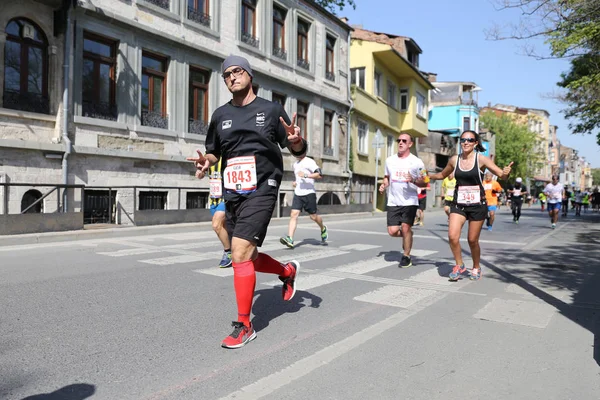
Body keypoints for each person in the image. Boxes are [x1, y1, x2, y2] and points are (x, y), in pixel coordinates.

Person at [187, 55, 307, 349]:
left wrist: (294, 141)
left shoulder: (270, 109)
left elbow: (297, 149)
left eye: (237, 71)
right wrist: (206, 162)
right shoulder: (219, 115)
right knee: (248, 256)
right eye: (226, 74)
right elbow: (214, 152)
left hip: (263, 186)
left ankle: (245, 325)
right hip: (233, 190)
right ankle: (286, 271)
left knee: (239, 252)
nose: (231, 77)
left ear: (249, 75)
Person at [429, 130, 512, 281]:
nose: (466, 142)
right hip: (459, 203)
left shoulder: (481, 159)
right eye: (463, 140)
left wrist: (507, 172)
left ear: (475, 143)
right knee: (452, 236)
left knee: (472, 240)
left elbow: (502, 175)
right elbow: (442, 175)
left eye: (469, 140)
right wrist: (427, 177)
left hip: (477, 205)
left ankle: (476, 266)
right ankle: (460, 265)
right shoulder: (455, 160)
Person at [378, 132, 428, 268]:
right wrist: (384, 185)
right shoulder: (389, 160)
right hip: (393, 201)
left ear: (410, 144)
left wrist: (413, 180)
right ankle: (408, 235)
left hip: (410, 201)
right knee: (392, 231)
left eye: (404, 141)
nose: (400, 143)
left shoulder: (417, 162)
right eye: (398, 140)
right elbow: (387, 177)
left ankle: (406, 256)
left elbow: (426, 182)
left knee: (405, 227)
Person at [280, 153, 328, 248]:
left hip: (309, 193)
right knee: (293, 214)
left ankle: (323, 227)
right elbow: (298, 178)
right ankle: (290, 239)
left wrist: (306, 175)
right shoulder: (295, 164)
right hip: (298, 193)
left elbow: (319, 175)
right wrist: (295, 182)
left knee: (313, 217)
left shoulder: (309, 161)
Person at [209, 161, 232, 268]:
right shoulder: (209, 153)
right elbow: (202, 169)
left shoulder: (230, 150)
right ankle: (238, 250)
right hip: (214, 198)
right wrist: (200, 171)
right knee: (224, 227)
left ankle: (228, 252)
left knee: (216, 224)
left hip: (227, 196)